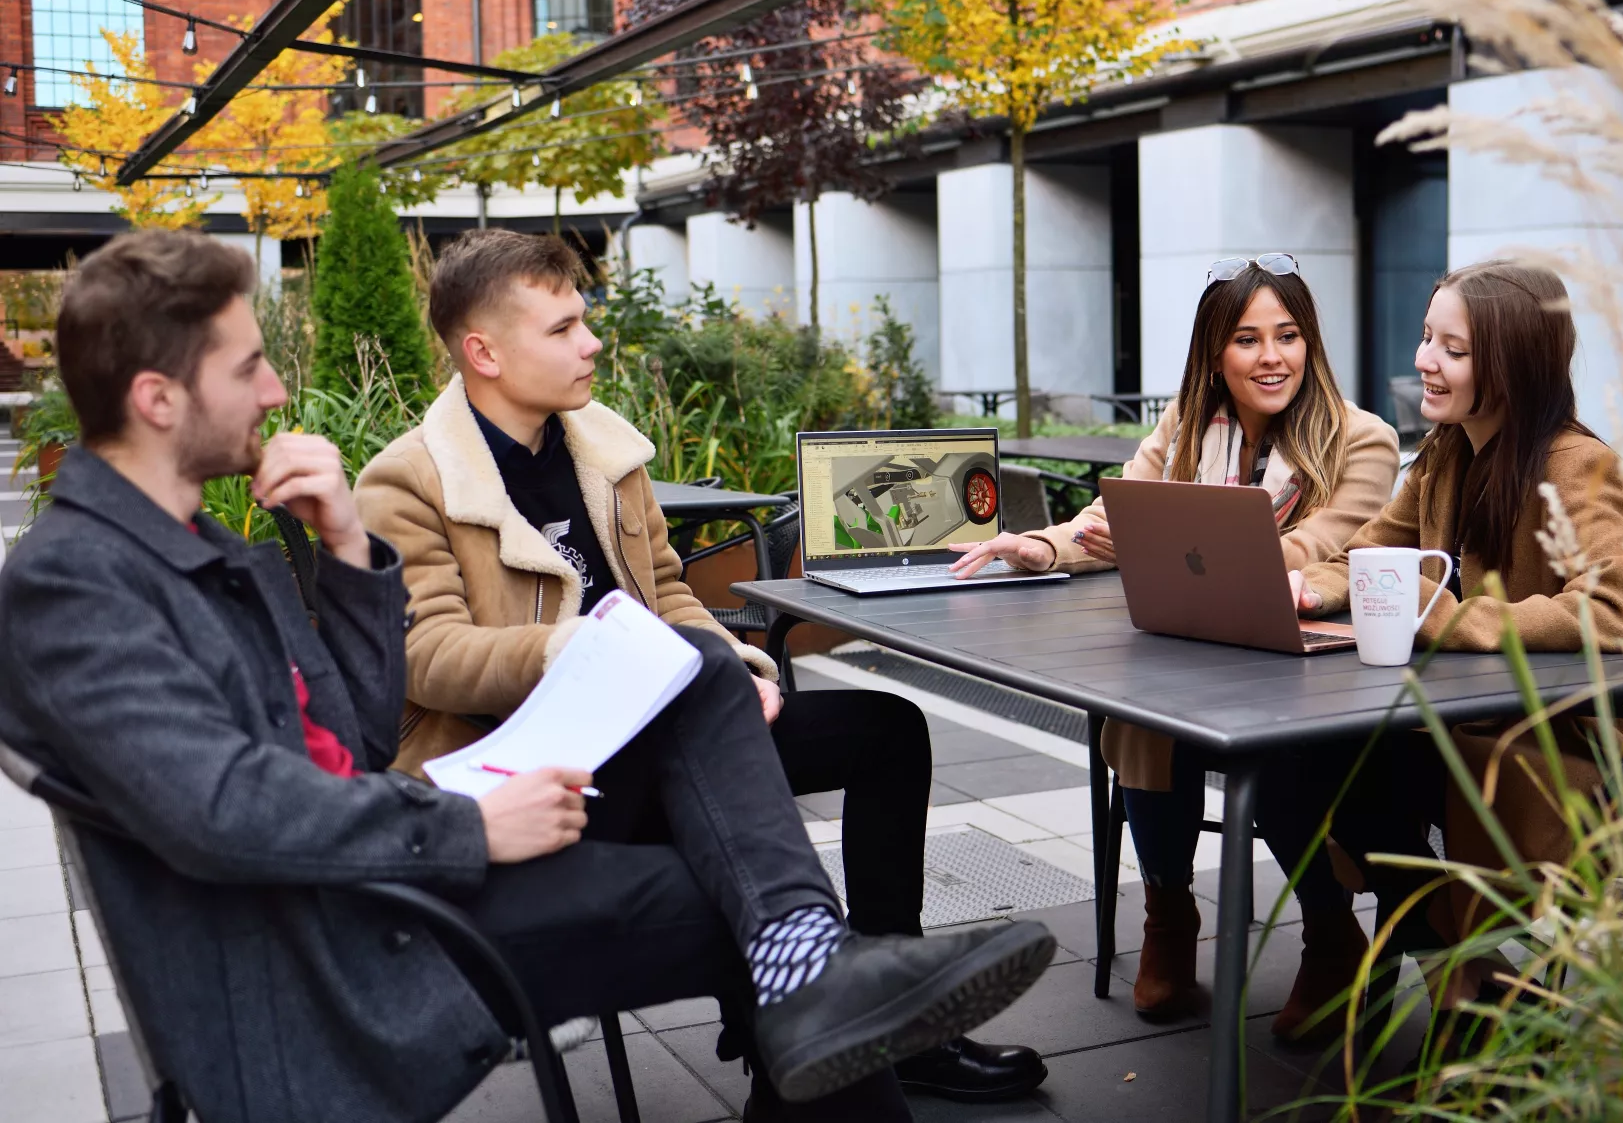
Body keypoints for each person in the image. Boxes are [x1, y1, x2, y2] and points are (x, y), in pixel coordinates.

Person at [0, 231, 1053, 1123]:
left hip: (374, 875)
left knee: (744, 823)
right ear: (155, 396)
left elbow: (356, 733)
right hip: (342, 950)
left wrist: (348, 547)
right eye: (247, 368)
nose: (276, 389)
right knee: (754, 912)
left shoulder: (183, 549)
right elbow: (224, 811)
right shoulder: (73, 586)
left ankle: (811, 963)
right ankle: (815, 966)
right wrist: (469, 825)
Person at [352, 229, 1046, 1105]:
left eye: (585, 321)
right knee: (695, 716)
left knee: (885, 730)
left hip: (662, 722)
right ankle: (816, 982)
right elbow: (427, 658)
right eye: (563, 328)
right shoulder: (409, 481)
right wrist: (581, 651)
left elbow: (671, 594)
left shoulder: (605, 451)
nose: (591, 341)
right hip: (531, 773)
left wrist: (733, 664)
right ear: (483, 351)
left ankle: (879, 1001)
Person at [948, 253, 1402, 1038]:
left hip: (1304, 673)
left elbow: (1324, 551)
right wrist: (1043, 547)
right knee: (1139, 713)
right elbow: (1113, 523)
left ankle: (1330, 930)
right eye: (1249, 339)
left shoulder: (1363, 440)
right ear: (1214, 353)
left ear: (1311, 343)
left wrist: (1185, 538)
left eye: (1289, 336)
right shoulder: (1188, 430)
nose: (1272, 357)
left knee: (1279, 750)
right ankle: (1168, 913)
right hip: (1197, 649)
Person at [1287, 258, 1623, 1010]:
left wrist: (1446, 616)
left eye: (1452, 349)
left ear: (1512, 366)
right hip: (1455, 717)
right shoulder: (1445, 454)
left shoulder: (1580, 465)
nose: (1424, 360)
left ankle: (1452, 975)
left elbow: (1612, 610)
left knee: (1360, 769)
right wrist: (1307, 583)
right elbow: (1367, 552)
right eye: (1426, 338)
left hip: (1556, 736)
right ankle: (1459, 974)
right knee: (1307, 763)